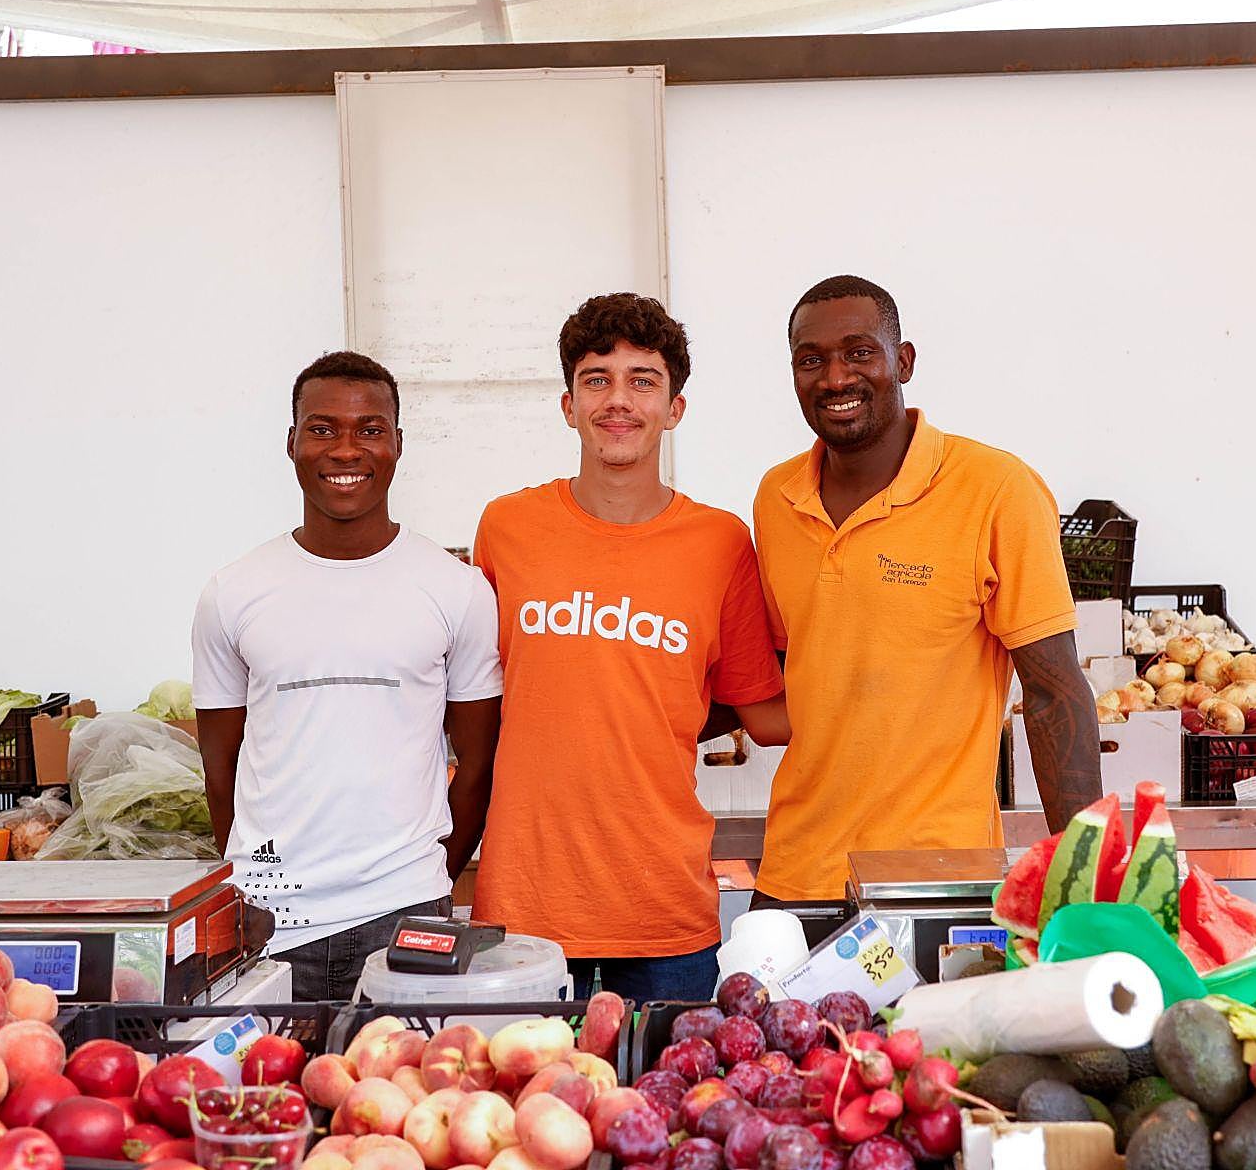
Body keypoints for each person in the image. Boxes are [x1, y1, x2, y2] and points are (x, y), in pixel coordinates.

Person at [471, 294, 789, 1002]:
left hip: (665, 918)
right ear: (567, 403)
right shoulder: (507, 528)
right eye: (597, 380)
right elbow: (475, 703)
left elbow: (762, 714)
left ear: (675, 408)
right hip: (526, 913)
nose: (619, 401)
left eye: (643, 380)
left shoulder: (720, 543)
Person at [750, 275, 1102, 905]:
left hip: (937, 878)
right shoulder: (776, 497)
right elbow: (797, 669)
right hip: (794, 875)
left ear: (903, 361)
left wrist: (1087, 881)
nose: (834, 378)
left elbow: (1052, 691)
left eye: (859, 352)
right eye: (811, 360)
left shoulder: (996, 488)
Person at [191, 351, 504, 1000]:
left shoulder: (457, 590)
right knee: (271, 1098)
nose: (345, 449)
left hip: (406, 914)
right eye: (322, 428)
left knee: (403, 1096)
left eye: (369, 429)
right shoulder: (232, 591)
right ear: (292, 442)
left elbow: (477, 763)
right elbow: (220, 761)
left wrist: (430, 880)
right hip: (268, 918)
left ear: (396, 445)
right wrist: (241, 880)